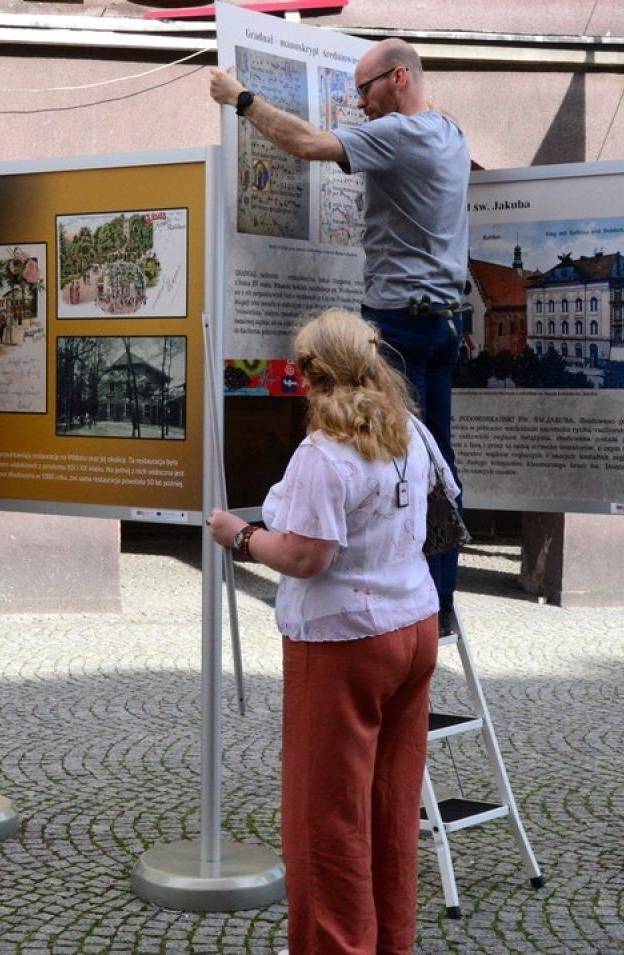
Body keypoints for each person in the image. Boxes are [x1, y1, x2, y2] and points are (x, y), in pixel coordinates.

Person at [208, 309, 454, 955]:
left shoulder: (323, 453)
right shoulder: (410, 429)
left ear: (307, 373)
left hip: (345, 641)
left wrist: (240, 534)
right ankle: (390, 942)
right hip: (414, 625)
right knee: (391, 804)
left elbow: (305, 555)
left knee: (327, 818)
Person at [208, 38, 471, 633]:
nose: (359, 104)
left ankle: (401, 599)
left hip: (398, 323)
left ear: (398, 78)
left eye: (365, 90)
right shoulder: (451, 131)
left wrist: (241, 98)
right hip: (442, 326)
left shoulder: (400, 134)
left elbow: (307, 144)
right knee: (435, 461)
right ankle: (440, 601)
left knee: (381, 456)